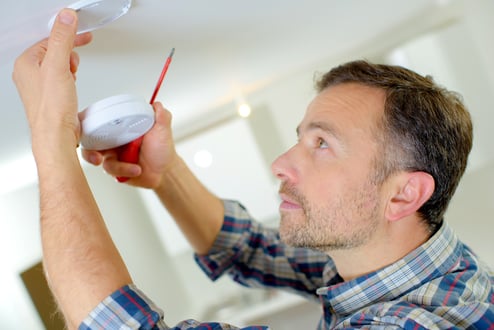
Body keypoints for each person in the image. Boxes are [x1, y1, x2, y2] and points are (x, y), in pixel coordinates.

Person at [13, 8, 494, 330]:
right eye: (300, 137)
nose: (281, 163)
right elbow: (251, 249)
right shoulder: (410, 264)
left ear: (403, 195)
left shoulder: (416, 322)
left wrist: (50, 141)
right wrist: (166, 173)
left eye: (322, 144)